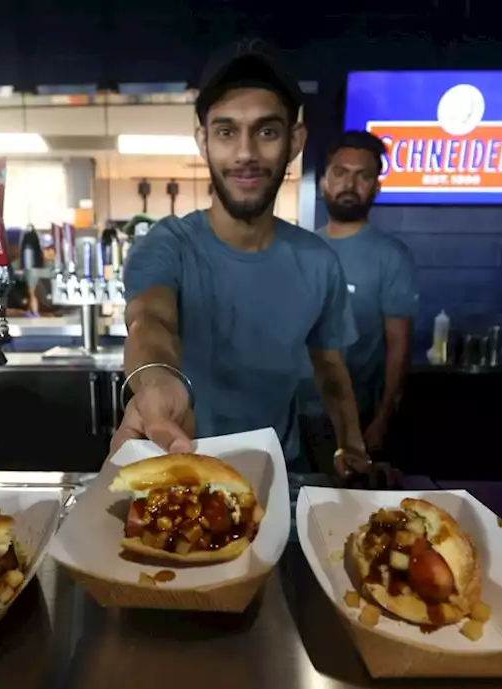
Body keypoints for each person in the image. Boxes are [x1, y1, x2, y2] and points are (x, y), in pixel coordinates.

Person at [110, 41, 370, 476]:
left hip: (276, 472)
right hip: (182, 467)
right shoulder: (168, 243)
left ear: (294, 141)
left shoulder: (318, 262)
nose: (246, 153)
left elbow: (330, 370)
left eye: (266, 131)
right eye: (227, 131)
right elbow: (149, 320)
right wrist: (157, 380)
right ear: (203, 142)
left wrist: (352, 446)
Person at [298, 131, 418, 473]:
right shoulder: (301, 250)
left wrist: (381, 419)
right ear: (324, 182)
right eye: (340, 172)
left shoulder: (391, 257)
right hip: (294, 415)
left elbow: (399, 348)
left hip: (354, 418)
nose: (349, 183)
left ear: (375, 188)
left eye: (362, 175)